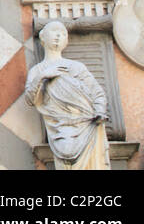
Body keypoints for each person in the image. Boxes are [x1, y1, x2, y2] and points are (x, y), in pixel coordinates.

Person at [24, 22, 110, 170]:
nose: (58, 36)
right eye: (54, 31)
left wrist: (100, 110)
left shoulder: (76, 67)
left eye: (63, 33)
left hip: (86, 122)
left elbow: (97, 92)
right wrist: (43, 76)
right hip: (61, 125)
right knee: (67, 156)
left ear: (66, 41)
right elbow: (30, 99)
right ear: (43, 37)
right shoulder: (37, 70)